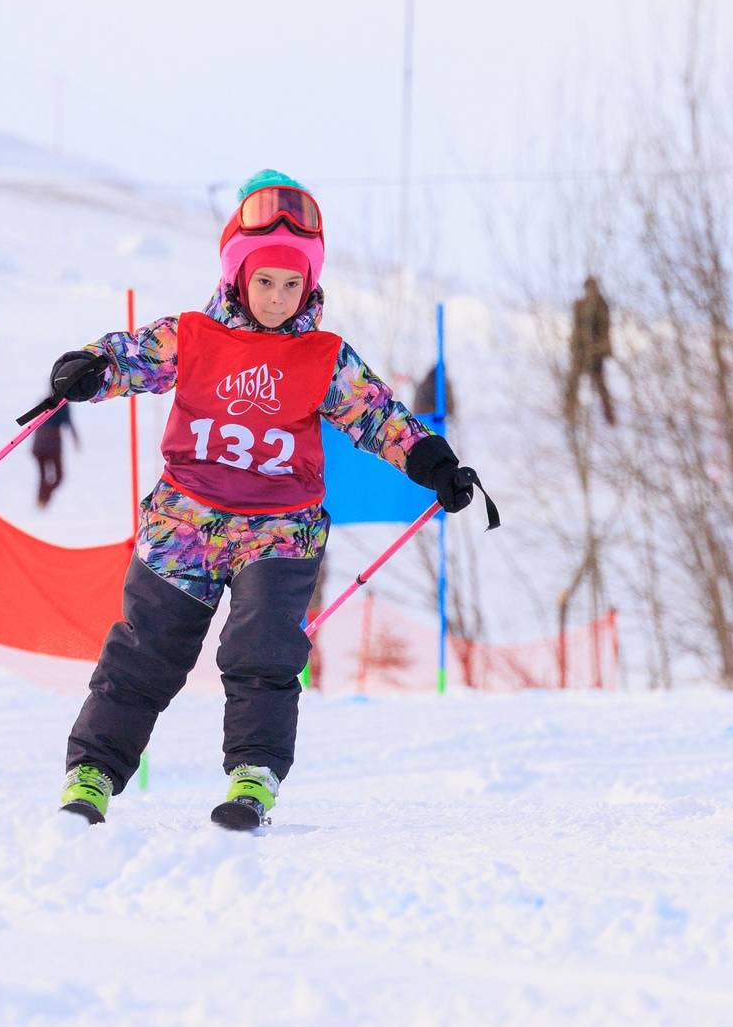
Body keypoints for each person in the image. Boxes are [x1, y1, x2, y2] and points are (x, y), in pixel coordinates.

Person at [41, 170, 488, 832]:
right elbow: (133, 358)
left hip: (280, 526)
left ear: (310, 286)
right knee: (147, 649)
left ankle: (253, 775)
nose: (278, 298)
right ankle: (92, 776)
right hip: (186, 519)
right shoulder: (193, 336)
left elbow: (376, 415)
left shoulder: (323, 357)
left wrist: (433, 462)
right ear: (238, 277)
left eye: (292, 284)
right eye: (265, 281)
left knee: (264, 648)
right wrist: (92, 369)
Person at [567, 275, 616, 427]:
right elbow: (576, 329)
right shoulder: (580, 305)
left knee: (600, 383)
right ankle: (569, 412)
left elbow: (604, 329)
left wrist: (599, 349)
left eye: (592, 287)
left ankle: (609, 415)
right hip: (580, 351)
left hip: (596, 352)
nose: (590, 290)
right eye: (588, 287)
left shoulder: (601, 305)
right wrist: (575, 348)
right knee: (573, 380)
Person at [30, 400, 77, 507]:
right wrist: (75, 438)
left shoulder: (44, 401)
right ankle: (43, 499)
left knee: (43, 477)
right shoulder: (63, 403)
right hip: (51, 444)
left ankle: (42, 500)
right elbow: (68, 422)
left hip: (39, 444)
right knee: (58, 477)